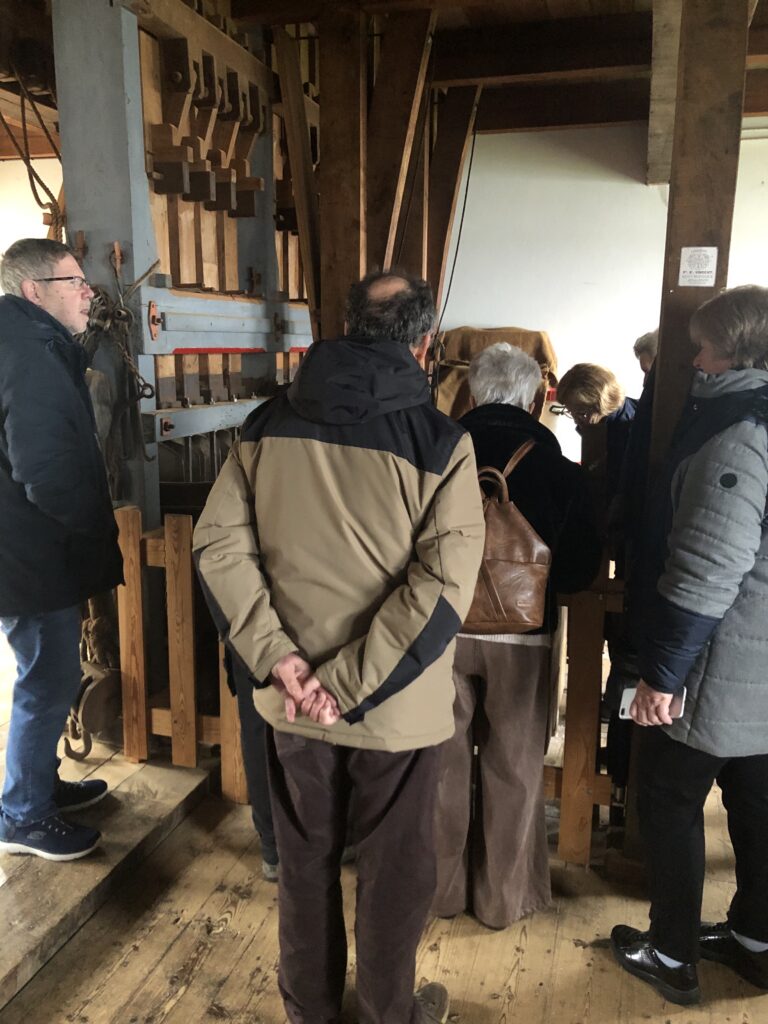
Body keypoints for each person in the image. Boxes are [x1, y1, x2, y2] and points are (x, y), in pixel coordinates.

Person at [193, 270, 485, 1024]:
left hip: (291, 702)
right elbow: (442, 587)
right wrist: (347, 683)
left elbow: (218, 546)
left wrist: (281, 660)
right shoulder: (442, 443)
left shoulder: (264, 425)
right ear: (424, 342)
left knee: (303, 864)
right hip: (395, 710)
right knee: (395, 873)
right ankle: (390, 1013)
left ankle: (310, 1012)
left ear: (349, 324)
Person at [610, 285, 768, 1005]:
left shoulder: (739, 437)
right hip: (761, 661)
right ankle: (757, 941)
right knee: (757, 797)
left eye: (703, 348)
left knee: (670, 797)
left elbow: (707, 568)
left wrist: (662, 674)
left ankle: (672, 954)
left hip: (723, 661)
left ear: (736, 354)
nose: (695, 361)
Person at [431, 342, 601, 929]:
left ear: (472, 394)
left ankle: (441, 894)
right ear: (534, 402)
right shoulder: (559, 469)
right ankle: (502, 901)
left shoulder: (437, 451)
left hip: (440, 630)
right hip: (525, 638)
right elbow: (578, 570)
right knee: (515, 768)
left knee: (441, 765)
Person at [0, 238, 123, 861]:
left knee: (46, 673)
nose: (87, 292)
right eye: (74, 281)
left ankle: (38, 788)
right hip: (29, 554)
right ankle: (22, 815)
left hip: (23, 548)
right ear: (34, 291)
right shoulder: (29, 354)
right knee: (47, 679)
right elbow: (45, 470)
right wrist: (91, 532)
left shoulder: (30, 345)